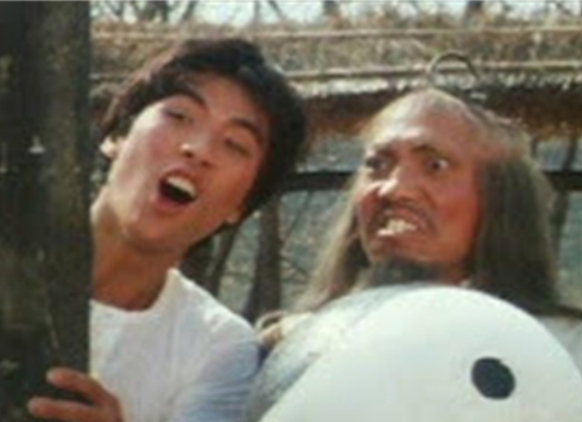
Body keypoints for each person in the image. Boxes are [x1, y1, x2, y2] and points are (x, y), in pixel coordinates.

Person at [0, 3, 307, 422]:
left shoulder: (217, 346)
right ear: (116, 136)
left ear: (241, 205)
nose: (197, 149)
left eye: (234, 144)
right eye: (179, 115)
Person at [246, 87, 582, 418]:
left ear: (500, 198)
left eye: (435, 165)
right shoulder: (288, 354)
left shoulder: (566, 352)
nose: (394, 189)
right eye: (377, 164)